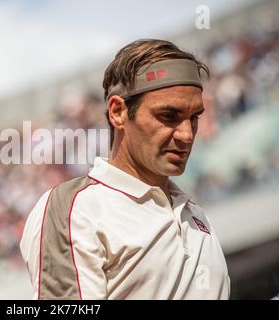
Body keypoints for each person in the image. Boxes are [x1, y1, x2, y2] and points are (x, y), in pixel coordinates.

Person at [20, 39, 230, 299]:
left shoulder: (193, 212)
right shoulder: (75, 210)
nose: (187, 135)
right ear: (118, 111)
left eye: (194, 117)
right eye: (168, 116)